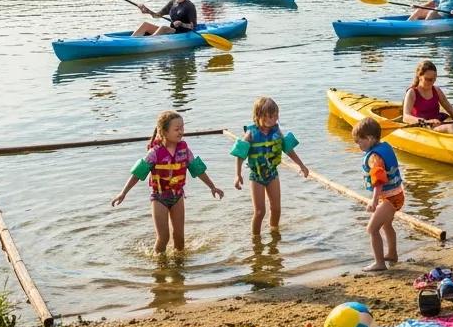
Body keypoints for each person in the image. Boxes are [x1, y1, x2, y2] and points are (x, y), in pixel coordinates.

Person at [111, 110, 223, 253]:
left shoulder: (185, 150)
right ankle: (159, 267)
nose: (181, 132)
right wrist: (123, 193)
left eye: (182, 128)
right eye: (177, 129)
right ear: (163, 132)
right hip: (159, 198)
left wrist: (212, 187)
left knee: (179, 237)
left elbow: (198, 170)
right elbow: (137, 175)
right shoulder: (154, 153)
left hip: (177, 197)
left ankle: (179, 267)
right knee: (163, 237)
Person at [231, 96, 309, 235]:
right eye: (268, 116)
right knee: (260, 212)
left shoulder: (276, 132)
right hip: (257, 176)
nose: (272, 120)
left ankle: (274, 233)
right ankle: (255, 238)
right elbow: (240, 154)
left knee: (276, 208)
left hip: (272, 174)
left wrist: (301, 165)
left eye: (274, 116)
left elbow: (288, 149)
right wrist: (238, 175)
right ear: (258, 115)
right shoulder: (251, 134)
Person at [352, 116, 404, 272]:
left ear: (368, 138)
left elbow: (379, 180)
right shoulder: (383, 147)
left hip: (389, 198)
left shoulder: (374, 157)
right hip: (396, 195)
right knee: (387, 225)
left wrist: (373, 201)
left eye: (359, 141)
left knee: (372, 229)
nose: (358, 145)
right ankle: (392, 254)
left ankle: (379, 263)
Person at [131, 0, 198, 37]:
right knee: (145, 25)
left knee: (163, 28)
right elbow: (156, 15)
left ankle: (148, 41)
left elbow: (193, 26)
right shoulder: (172, 3)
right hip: (172, 31)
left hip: (182, 33)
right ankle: (132, 41)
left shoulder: (190, 6)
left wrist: (182, 24)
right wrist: (147, 10)